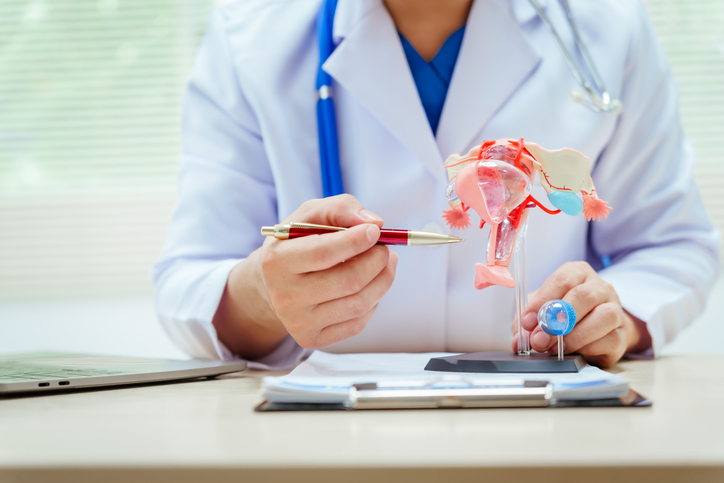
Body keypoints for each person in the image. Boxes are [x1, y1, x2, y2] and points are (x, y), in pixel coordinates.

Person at [152, 0, 720, 369]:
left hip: (546, 426)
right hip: (326, 434)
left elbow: (673, 246)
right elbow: (188, 279)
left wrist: (615, 317)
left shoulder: (605, 25)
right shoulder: (249, 33)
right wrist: (263, 296)